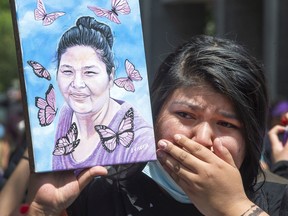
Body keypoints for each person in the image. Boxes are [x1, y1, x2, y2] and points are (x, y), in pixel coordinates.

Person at [26, 35, 288, 215]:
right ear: (154, 115)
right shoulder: (97, 194)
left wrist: (235, 206)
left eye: (226, 123)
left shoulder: (279, 201)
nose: (202, 138)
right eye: (186, 115)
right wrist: (42, 211)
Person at [53, 16, 155, 171]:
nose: (77, 84)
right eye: (67, 71)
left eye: (90, 72)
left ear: (111, 76)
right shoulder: (66, 115)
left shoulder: (140, 139)